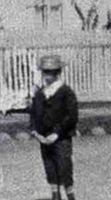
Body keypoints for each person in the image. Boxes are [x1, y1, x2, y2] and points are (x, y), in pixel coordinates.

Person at [29, 54, 80, 200]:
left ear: (58, 73)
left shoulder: (66, 92)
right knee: (50, 169)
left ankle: (70, 196)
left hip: (61, 138)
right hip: (44, 139)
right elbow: (34, 114)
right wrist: (36, 132)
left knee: (64, 168)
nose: (47, 75)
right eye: (45, 72)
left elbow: (72, 116)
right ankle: (55, 195)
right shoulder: (40, 94)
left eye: (51, 72)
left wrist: (56, 134)